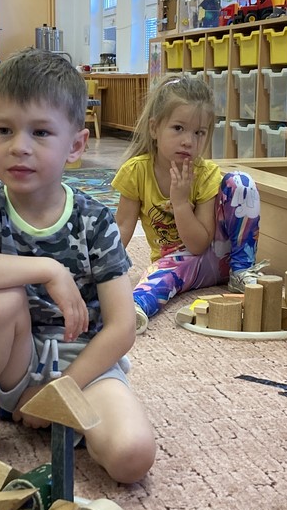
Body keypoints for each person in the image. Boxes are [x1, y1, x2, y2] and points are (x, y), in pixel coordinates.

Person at [0, 48, 154, 484]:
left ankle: (65, 422)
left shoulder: (96, 220)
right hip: (15, 365)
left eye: (41, 132)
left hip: (86, 369)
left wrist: (59, 391)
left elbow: (122, 328)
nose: (19, 146)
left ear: (76, 145)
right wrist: (48, 268)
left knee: (133, 457)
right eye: (3, 130)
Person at [111, 74, 263, 333]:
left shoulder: (205, 174)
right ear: (154, 128)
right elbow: (123, 227)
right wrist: (103, 272)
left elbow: (199, 244)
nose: (188, 141)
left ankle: (242, 272)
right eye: (178, 128)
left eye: (199, 132)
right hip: (176, 263)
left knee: (241, 181)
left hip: (220, 256)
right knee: (160, 277)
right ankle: (135, 309)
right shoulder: (136, 171)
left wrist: (180, 203)